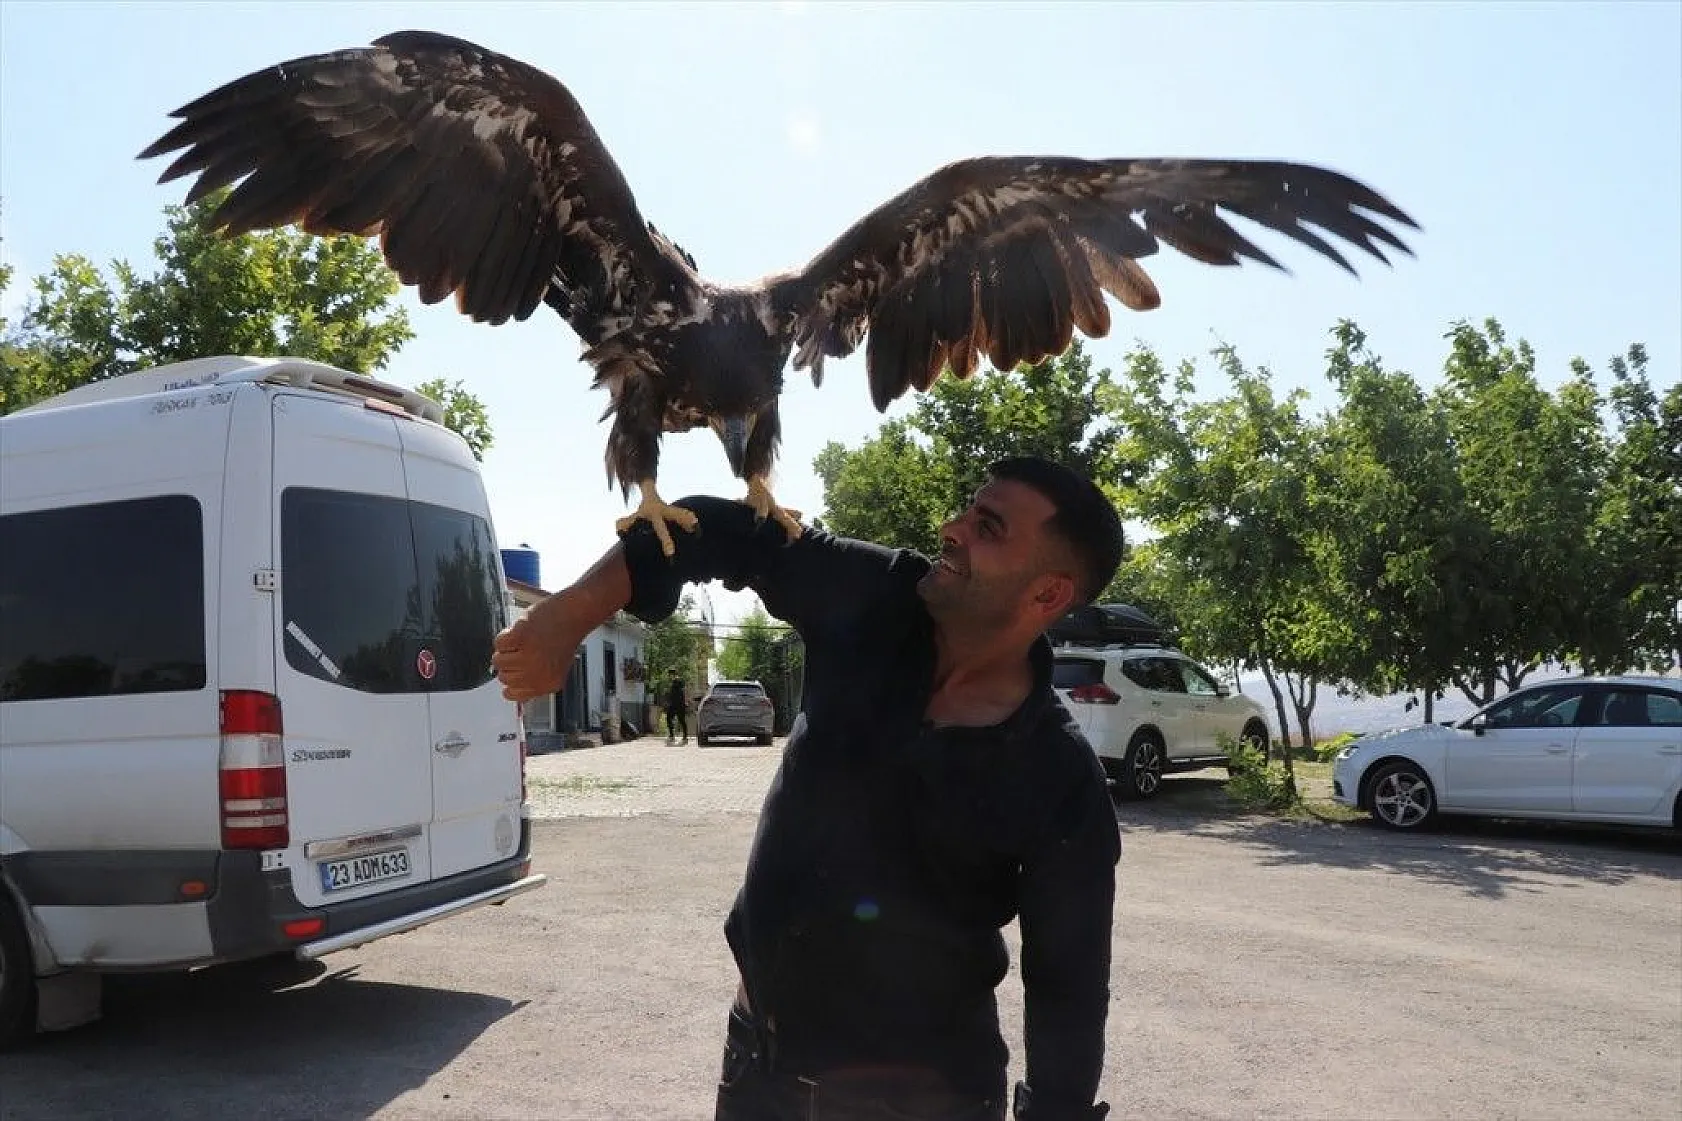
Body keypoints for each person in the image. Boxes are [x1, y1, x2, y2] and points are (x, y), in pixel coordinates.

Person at [494, 456, 1123, 1121]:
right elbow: (719, 528)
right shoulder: (877, 597)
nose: (951, 528)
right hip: (759, 1072)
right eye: (969, 507)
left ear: (1049, 594)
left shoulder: (1060, 777)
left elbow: (1070, 990)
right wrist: (565, 617)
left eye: (988, 526)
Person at [666, 669, 690, 744]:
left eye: (670, 675)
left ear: (672, 674)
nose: (669, 676)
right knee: (669, 718)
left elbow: (684, 691)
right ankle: (672, 735)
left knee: (681, 720)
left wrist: (686, 701)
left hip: (679, 704)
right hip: (673, 704)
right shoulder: (673, 682)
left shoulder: (678, 681)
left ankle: (685, 736)